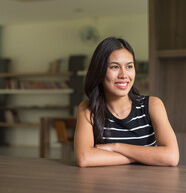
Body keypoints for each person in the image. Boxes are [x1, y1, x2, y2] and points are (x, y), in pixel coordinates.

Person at [74, 37, 179, 167]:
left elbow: (171, 157)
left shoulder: (153, 105)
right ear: (99, 71)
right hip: (105, 186)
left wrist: (117, 147)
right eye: (114, 67)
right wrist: (143, 157)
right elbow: (85, 158)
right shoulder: (88, 109)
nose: (124, 75)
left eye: (129, 66)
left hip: (149, 186)